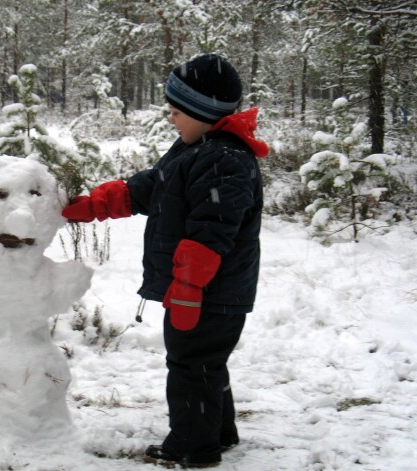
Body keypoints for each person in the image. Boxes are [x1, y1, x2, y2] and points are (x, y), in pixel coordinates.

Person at [62, 53, 268, 468]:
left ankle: (193, 446)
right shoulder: (198, 149)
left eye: (176, 111)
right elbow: (151, 186)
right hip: (206, 290)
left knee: (191, 363)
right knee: (206, 361)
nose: (171, 118)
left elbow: (211, 233)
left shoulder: (222, 160)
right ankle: (217, 432)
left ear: (202, 111)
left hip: (209, 291)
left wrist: (189, 289)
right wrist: (95, 204)